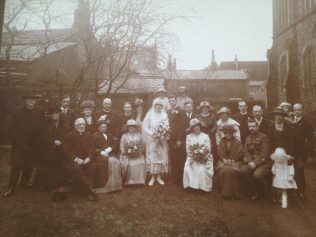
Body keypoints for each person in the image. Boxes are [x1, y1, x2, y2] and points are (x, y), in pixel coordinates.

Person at [4, 94, 43, 197]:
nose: (31, 101)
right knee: (16, 166)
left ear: (36, 101)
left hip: (33, 145)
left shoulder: (39, 111)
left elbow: (41, 127)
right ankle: (10, 188)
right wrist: (19, 142)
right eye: (29, 99)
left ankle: (24, 183)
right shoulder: (16, 111)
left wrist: (38, 142)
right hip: (19, 144)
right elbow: (11, 128)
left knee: (29, 165)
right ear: (25, 100)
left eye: (33, 99)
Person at [37, 105, 69, 201]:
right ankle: (48, 185)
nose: (55, 115)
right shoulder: (45, 123)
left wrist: (60, 142)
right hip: (49, 149)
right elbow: (43, 137)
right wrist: (53, 142)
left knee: (61, 167)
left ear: (59, 114)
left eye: (57, 113)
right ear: (50, 115)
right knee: (48, 167)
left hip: (61, 149)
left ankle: (60, 189)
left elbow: (66, 135)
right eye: (53, 114)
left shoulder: (63, 123)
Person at [63, 118, 98, 201]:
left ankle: (87, 190)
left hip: (85, 159)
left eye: (83, 124)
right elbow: (66, 151)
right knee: (77, 168)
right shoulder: (70, 135)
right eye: (79, 124)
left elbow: (91, 149)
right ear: (75, 126)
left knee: (92, 166)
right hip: (73, 161)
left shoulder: (88, 135)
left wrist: (89, 158)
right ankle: (89, 190)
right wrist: (76, 159)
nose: (82, 126)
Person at [239, 118, 271, 200]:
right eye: (249, 126)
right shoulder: (247, 138)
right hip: (251, 162)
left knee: (257, 175)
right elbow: (245, 152)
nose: (251, 128)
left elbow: (265, 152)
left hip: (263, 163)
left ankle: (266, 192)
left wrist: (255, 163)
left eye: (253, 126)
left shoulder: (264, 137)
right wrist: (250, 162)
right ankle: (254, 190)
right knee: (243, 171)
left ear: (257, 127)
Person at [142, 99, 170, 186]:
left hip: (161, 140)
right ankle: (152, 177)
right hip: (152, 139)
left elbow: (167, 126)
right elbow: (145, 126)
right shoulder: (150, 115)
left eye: (160, 106)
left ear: (162, 107)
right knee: (153, 157)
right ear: (154, 106)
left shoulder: (164, 115)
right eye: (157, 105)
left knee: (160, 157)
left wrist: (162, 133)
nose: (159, 107)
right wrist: (152, 133)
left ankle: (158, 176)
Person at [91, 118, 123, 193]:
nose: (104, 129)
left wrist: (110, 149)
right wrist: (101, 152)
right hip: (99, 155)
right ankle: (106, 186)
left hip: (110, 153)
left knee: (116, 162)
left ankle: (115, 185)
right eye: (102, 127)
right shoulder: (94, 136)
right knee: (110, 162)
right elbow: (93, 148)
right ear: (98, 128)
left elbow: (114, 144)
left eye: (105, 127)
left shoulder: (109, 135)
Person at [183, 118, 214, 192]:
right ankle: (191, 186)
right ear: (192, 128)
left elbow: (208, 149)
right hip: (192, 158)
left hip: (205, 157)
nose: (196, 127)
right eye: (194, 126)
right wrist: (194, 157)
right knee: (187, 168)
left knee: (201, 169)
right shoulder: (189, 136)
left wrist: (202, 156)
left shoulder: (205, 136)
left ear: (200, 127)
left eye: (197, 126)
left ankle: (203, 187)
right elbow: (188, 149)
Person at [291, 103, 315, 198]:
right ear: (293, 110)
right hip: (291, 151)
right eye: (295, 109)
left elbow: (310, 140)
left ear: (302, 110)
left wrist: (309, 155)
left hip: (300, 152)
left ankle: (301, 191)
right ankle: (292, 190)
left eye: (299, 109)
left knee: (299, 171)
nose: (297, 111)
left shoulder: (307, 123)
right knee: (291, 171)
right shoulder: (290, 122)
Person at [217, 124, 243, 199]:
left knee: (230, 170)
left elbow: (240, 153)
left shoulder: (237, 142)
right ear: (224, 133)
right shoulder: (221, 142)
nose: (228, 134)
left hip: (235, 161)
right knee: (224, 170)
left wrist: (232, 160)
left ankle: (234, 193)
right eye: (226, 132)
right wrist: (224, 159)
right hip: (223, 161)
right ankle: (225, 193)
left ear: (232, 133)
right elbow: (219, 153)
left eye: (230, 132)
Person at [120, 119, 146, 185]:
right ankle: (130, 181)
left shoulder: (139, 135)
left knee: (141, 162)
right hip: (127, 154)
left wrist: (139, 151)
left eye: (133, 126)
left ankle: (139, 181)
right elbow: (122, 146)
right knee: (130, 163)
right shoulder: (124, 136)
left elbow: (142, 145)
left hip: (137, 154)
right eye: (130, 126)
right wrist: (126, 152)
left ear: (135, 127)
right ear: (127, 127)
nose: (131, 128)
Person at [167, 94, 182, 183]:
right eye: (170, 101)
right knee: (172, 157)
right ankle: (174, 176)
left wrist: (179, 139)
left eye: (173, 100)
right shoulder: (168, 111)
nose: (172, 102)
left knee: (178, 157)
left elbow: (181, 126)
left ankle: (177, 177)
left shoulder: (180, 111)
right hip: (170, 138)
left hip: (177, 138)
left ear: (176, 101)